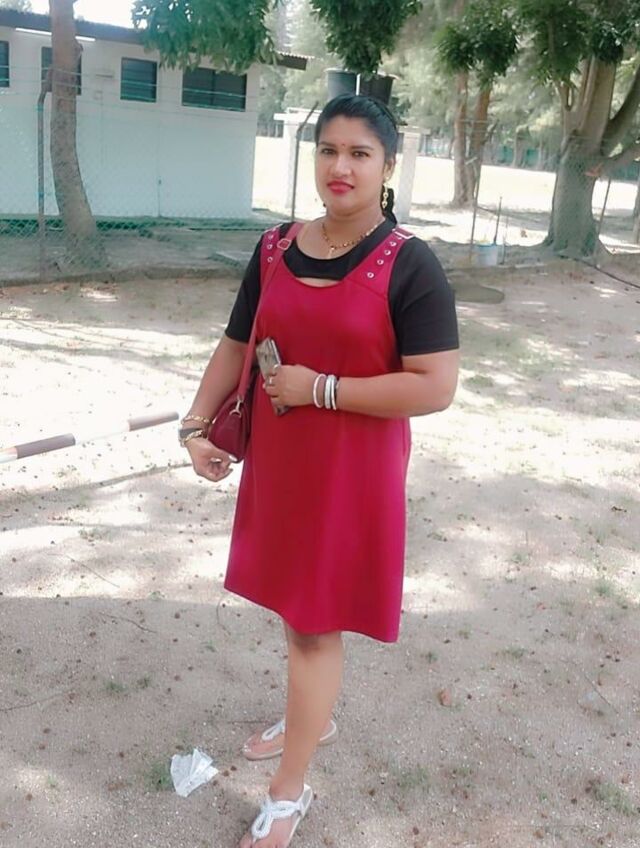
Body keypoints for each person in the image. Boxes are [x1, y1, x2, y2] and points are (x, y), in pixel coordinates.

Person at [179, 94, 460, 848]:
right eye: (329, 150)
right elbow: (237, 343)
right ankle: (312, 717)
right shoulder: (275, 247)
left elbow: (435, 385)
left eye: (360, 153)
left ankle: (289, 791)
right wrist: (195, 425)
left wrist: (322, 390)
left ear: (388, 165)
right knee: (294, 608)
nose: (341, 167)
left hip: (349, 476)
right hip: (282, 467)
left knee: (312, 625)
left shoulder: (410, 263)